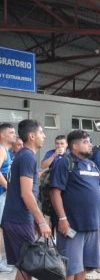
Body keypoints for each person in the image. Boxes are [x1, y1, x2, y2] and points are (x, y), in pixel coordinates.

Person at [50, 130, 100, 280]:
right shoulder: (65, 163)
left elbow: (94, 192)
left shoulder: (92, 165)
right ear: (74, 145)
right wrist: (62, 219)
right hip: (72, 225)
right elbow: (55, 193)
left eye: (89, 142)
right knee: (70, 269)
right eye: (85, 142)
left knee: (84, 267)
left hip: (92, 224)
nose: (90, 145)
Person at [2, 119, 51, 280]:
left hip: (19, 219)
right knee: (27, 267)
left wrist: (35, 220)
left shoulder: (24, 155)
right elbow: (26, 193)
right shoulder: (27, 157)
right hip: (18, 220)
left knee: (26, 267)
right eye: (41, 133)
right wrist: (42, 221)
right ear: (31, 136)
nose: (44, 136)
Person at [0, 123, 16, 273]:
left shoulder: (7, 151)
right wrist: (8, 188)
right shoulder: (1, 149)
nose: (14, 134)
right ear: (2, 135)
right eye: (11, 132)